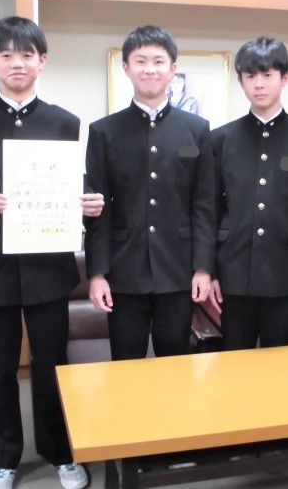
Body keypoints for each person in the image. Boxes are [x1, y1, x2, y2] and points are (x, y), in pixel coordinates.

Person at [0, 16, 103, 489]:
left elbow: (72, 182)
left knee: (52, 366)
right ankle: (5, 459)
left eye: (27, 54)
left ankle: (61, 453)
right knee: (0, 369)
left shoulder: (64, 122)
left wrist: (87, 201)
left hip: (48, 266)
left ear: (42, 61)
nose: (17, 63)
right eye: (6, 54)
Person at [84, 25, 216, 360]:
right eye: (140, 61)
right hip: (124, 273)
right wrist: (97, 274)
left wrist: (203, 267)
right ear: (126, 68)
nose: (150, 69)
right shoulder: (104, 132)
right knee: (125, 367)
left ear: (173, 69)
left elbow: (204, 204)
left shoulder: (196, 130)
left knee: (174, 367)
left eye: (159, 61)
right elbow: (99, 212)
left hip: (178, 270)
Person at [207, 36, 288, 350]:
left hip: (286, 271)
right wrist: (212, 272)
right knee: (236, 359)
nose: (259, 84)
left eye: (268, 75)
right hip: (234, 270)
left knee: (282, 362)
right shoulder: (221, 139)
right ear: (241, 81)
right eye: (250, 76)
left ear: (285, 78)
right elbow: (210, 211)